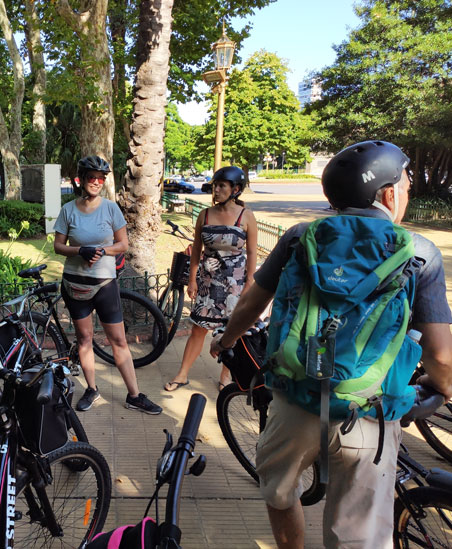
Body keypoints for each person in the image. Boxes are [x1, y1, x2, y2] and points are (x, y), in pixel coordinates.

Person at [209, 140, 452, 548]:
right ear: (389, 194)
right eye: (406, 184)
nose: (407, 192)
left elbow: (253, 300)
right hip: (369, 414)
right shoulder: (421, 253)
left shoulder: (300, 237)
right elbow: (440, 354)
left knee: (278, 490)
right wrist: (443, 387)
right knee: (358, 533)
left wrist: (225, 340)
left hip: (296, 400)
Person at [54, 155, 162, 415]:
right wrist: (80, 250)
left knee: (118, 340)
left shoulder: (111, 208)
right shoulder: (68, 210)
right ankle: (91, 389)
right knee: (84, 338)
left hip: (104, 284)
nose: (96, 182)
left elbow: (123, 244)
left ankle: (134, 395)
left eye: (101, 178)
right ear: (81, 179)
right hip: (75, 284)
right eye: (92, 178)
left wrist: (101, 251)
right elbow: (58, 246)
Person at [164, 166, 257, 392]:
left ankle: (227, 376)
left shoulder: (246, 216)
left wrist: (249, 284)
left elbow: (253, 252)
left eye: (221, 186)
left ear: (235, 189)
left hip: (235, 284)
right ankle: (182, 374)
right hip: (208, 282)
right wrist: (193, 279)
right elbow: (197, 249)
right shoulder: (205, 214)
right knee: (198, 328)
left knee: (232, 330)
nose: (215, 190)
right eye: (215, 186)